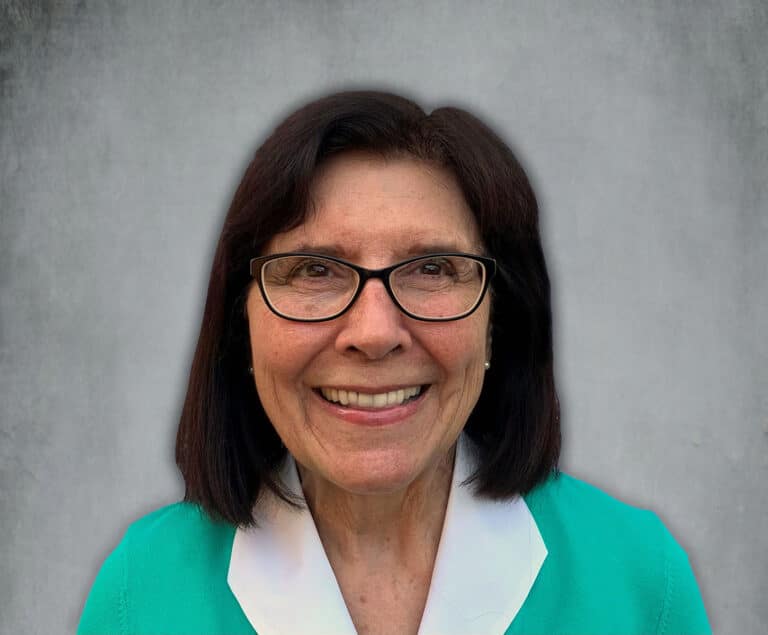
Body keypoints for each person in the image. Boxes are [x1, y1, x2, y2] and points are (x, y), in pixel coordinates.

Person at [78, 91, 711, 635]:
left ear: (498, 323)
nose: (375, 332)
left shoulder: (637, 582)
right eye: (315, 270)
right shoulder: (141, 593)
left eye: (433, 268)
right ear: (243, 324)